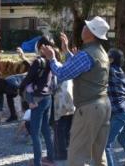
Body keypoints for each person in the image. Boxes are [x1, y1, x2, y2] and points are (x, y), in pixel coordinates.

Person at [41, 16, 111, 166]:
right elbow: (81, 66)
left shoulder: (87, 54)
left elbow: (62, 73)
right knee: (99, 155)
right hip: (103, 105)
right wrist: (66, 51)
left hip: (89, 108)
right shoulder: (100, 52)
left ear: (91, 33)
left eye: (87, 27)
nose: (83, 28)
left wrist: (52, 58)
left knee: (77, 156)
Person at [20, 36, 55, 166]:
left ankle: (37, 163)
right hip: (48, 97)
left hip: (37, 99)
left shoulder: (38, 61)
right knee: (46, 129)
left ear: (41, 47)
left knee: (35, 133)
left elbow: (28, 78)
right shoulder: (52, 60)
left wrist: (21, 88)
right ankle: (51, 157)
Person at [52, 33, 75, 163]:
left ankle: (60, 154)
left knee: (59, 129)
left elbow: (53, 86)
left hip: (60, 104)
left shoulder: (56, 68)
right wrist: (66, 49)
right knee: (68, 128)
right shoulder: (66, 65)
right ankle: (68, 150)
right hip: (71, 103)